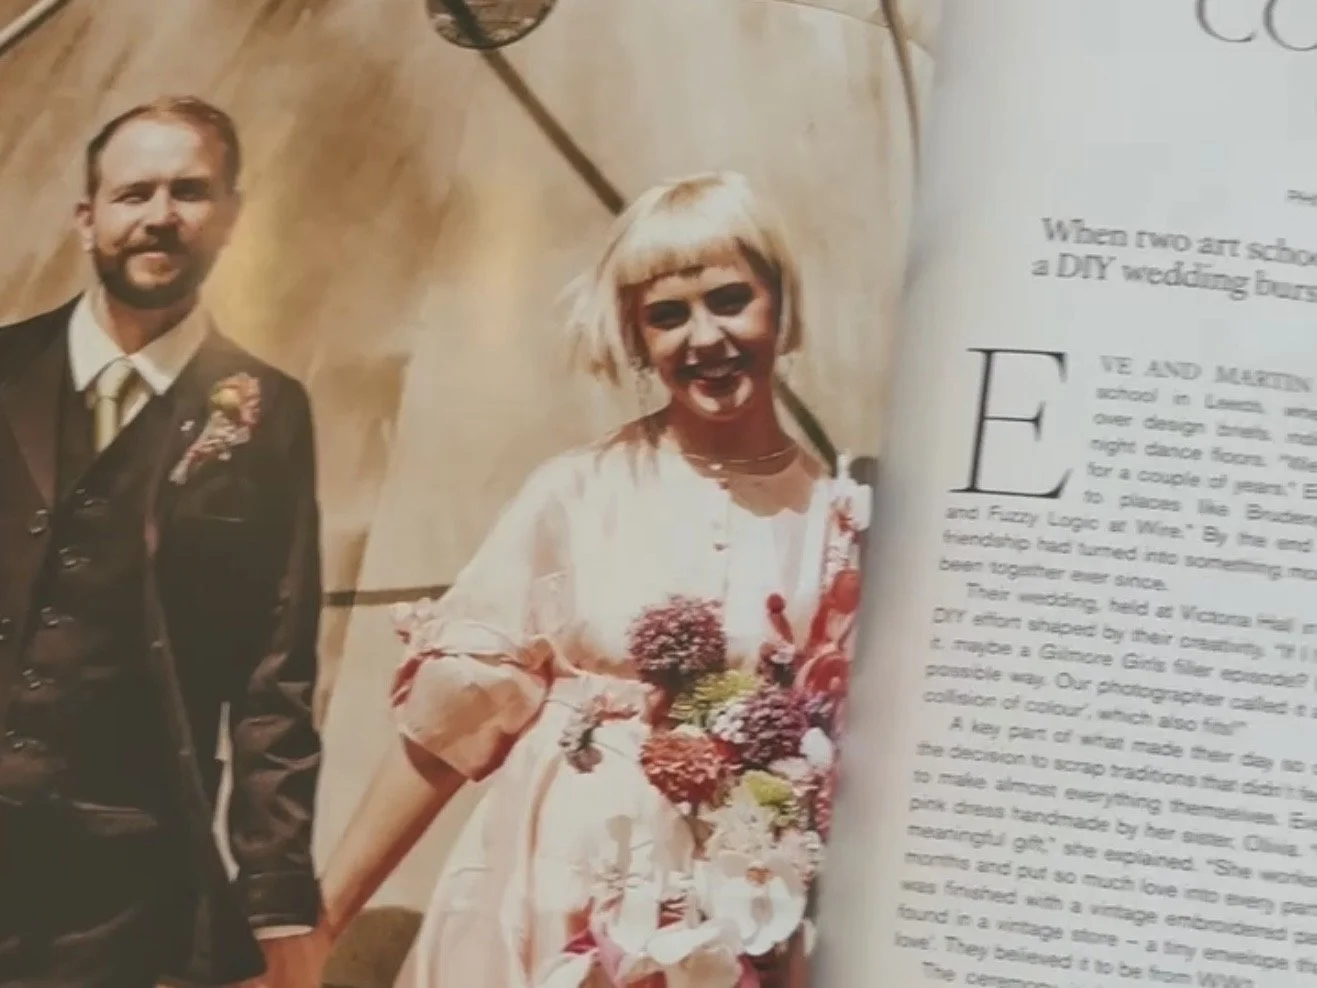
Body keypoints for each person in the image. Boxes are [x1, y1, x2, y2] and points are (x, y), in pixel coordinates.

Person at [318, 171, 868, 988]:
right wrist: (323, 920)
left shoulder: (836, 522)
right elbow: (450, 722)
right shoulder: (576, 494)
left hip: (723, 920)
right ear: (636, 337)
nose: (704, 337)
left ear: (779, 306)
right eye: (667, 315)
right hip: (547, 891)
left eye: (729, 299)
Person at [0, 97, 329, 988]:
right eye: (132, 193)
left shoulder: (269, 412)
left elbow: (275, 667)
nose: (158, 216)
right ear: (86, 219)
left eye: (189, 191)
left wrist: (277, 891)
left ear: (229, 215)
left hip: (128, 875)